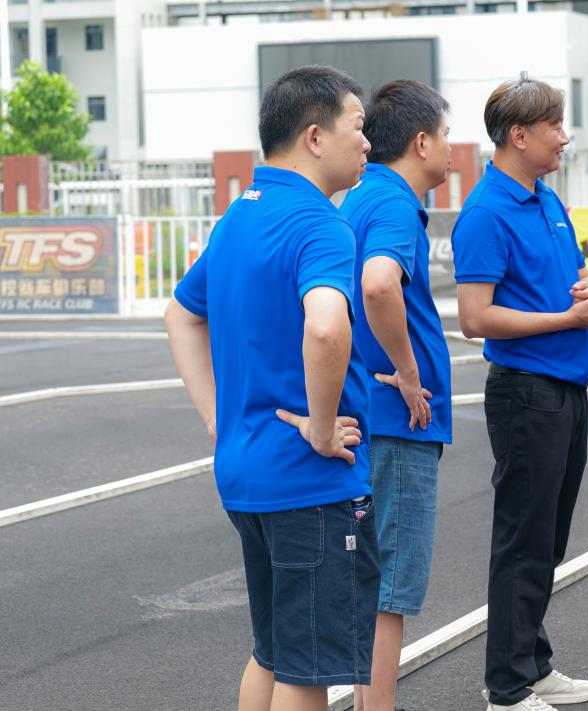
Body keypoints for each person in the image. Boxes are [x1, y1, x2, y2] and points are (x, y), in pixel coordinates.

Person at [165, 66, 377, 711]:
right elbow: (326, 326)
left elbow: (181, 314)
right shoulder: (321, 225)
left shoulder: (238, 216)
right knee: (306, 672)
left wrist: (217, 415)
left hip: (246, 472)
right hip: (308, 482)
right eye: (357, 126)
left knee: (274, 653)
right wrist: (321, 427)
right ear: (315, 136)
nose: (367, 142)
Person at [451, 75, 588, 711]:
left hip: (565, 385)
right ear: (519, 135)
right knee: (523, 539)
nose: (564, 137)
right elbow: (475, 318)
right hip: (526, 392)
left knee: (548, 537)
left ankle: (532, 664)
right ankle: (507, 688)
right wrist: (567, 319)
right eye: (555, 127)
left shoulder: (546, 198)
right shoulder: (486, 213)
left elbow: (574, 274)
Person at [341, 79, 453, 711]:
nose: (451, 148)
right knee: (391, 586)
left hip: (365, 411)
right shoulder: (392, 203)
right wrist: (410, 374)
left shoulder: (361, 196)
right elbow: (379, 283)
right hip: (396, 416)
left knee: (369, 580)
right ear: (420, 142)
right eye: (445, 135)